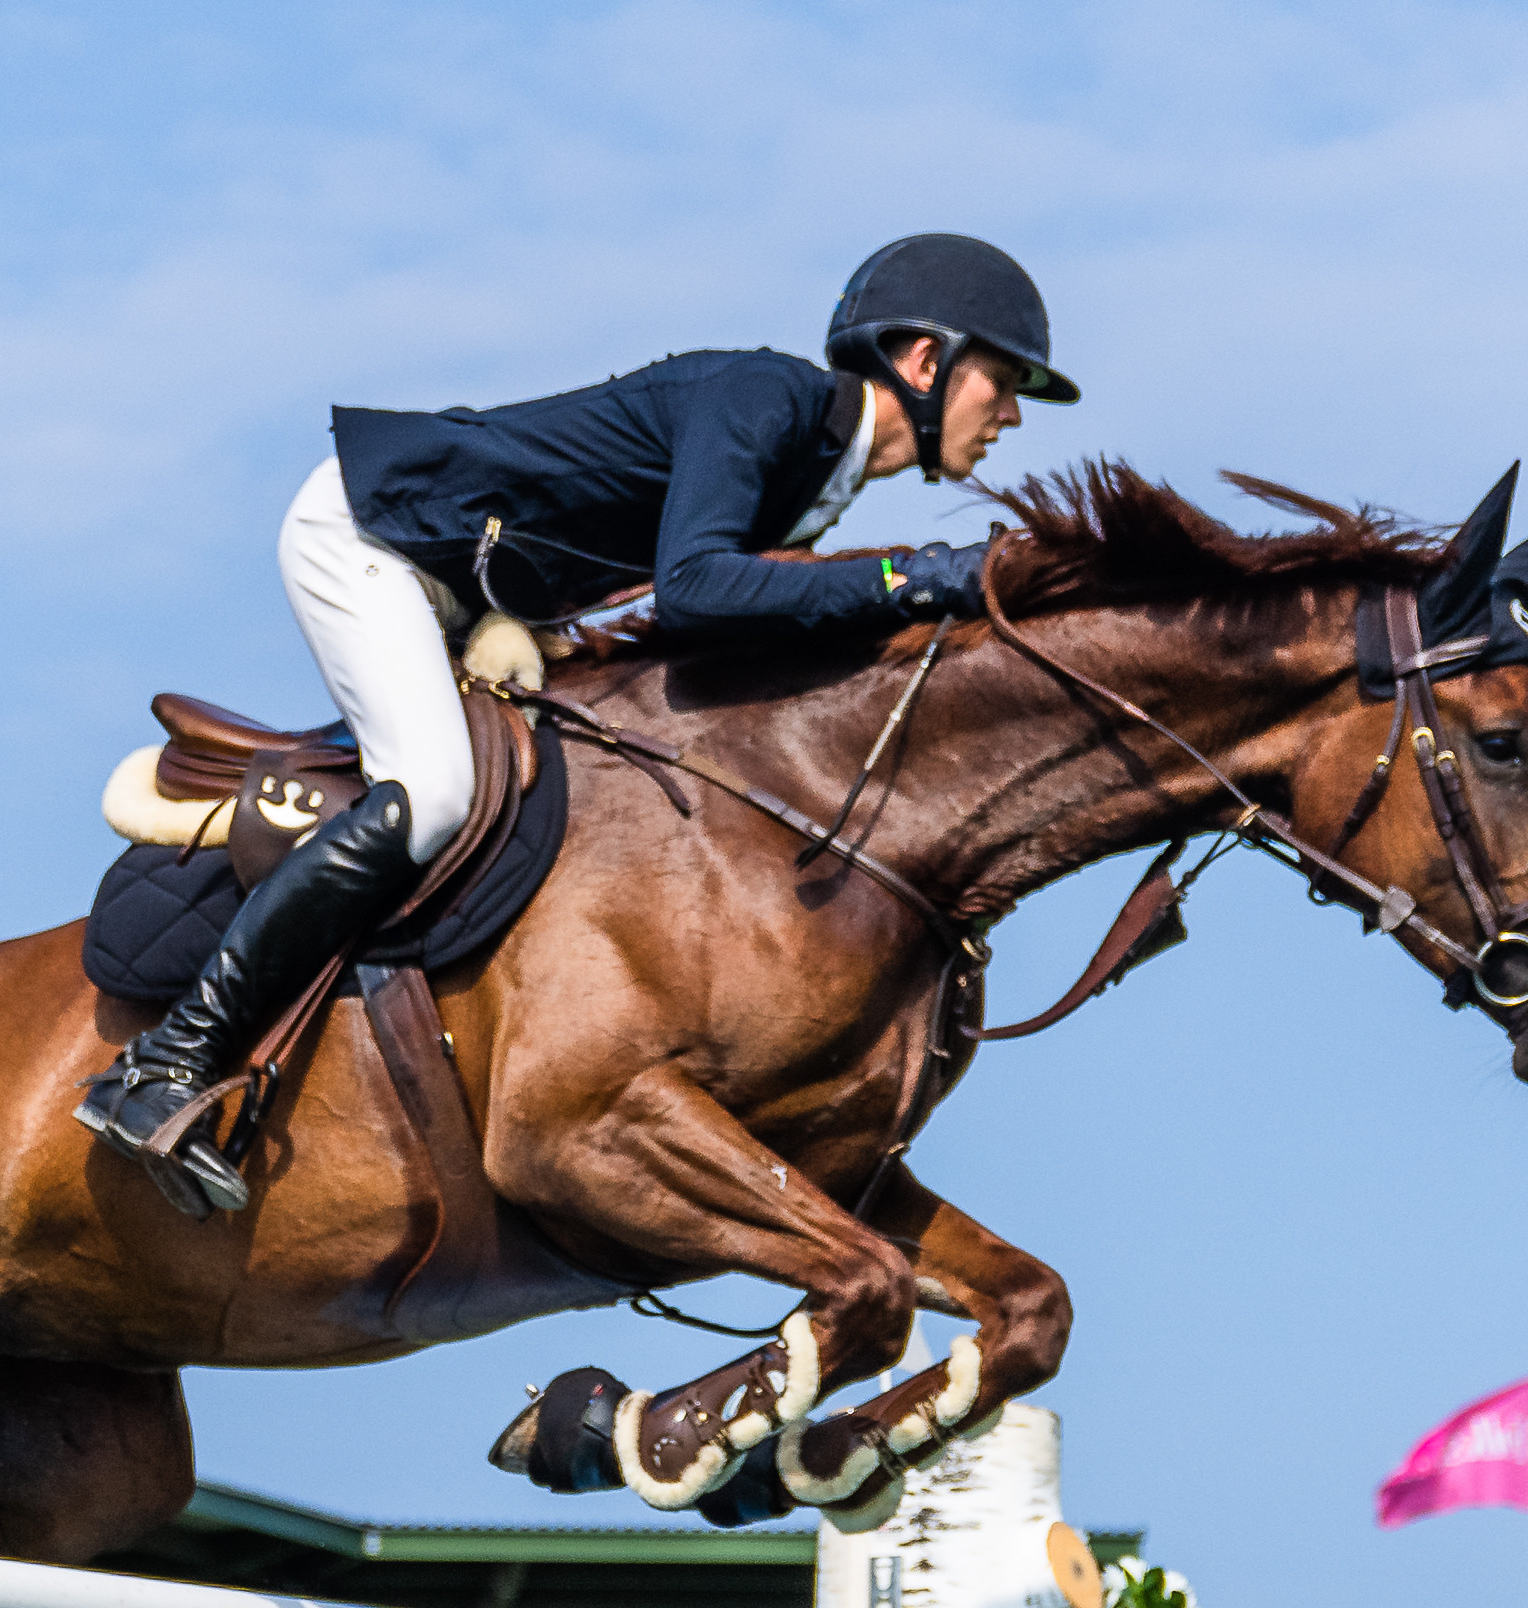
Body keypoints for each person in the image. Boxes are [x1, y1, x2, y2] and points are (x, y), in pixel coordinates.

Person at [76, 234, 1079, 1214]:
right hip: (373, 537)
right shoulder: (767, 399)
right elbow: (695, 591)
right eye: (1005, 383)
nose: (1010, 418)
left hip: (471, 594)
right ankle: (166, 1063)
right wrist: (922, 576)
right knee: (433, 797)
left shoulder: (817, 483)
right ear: (924, 360)